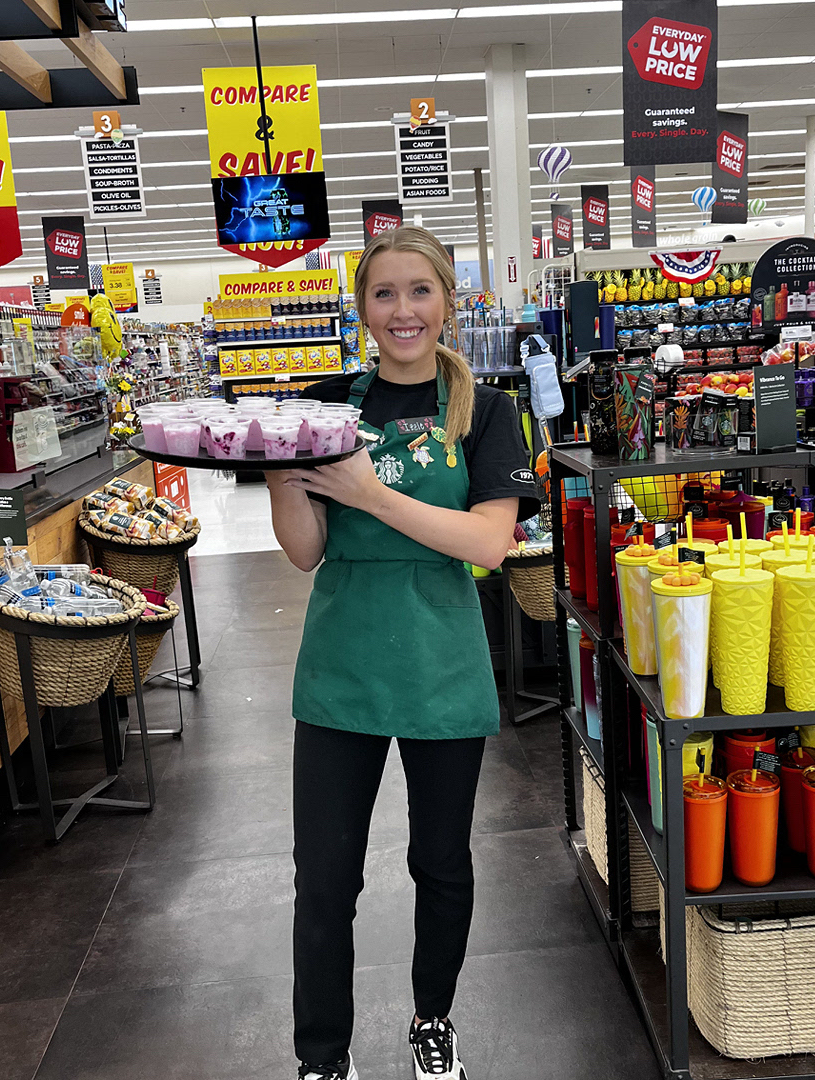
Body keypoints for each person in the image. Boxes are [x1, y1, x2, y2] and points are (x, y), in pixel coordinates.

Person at [267, 225, 540, 1080]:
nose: (402, 311)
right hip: (342, 663)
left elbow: (489, 543)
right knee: (324, 880)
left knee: (442, 864)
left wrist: (371, 493)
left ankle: (432, 1019)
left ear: (448, 302)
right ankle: (321, 1057)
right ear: (362, 309)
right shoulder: (326, 405)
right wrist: (281, 472)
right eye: (383, 294)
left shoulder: (490, 413)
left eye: (419, 291)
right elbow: (306, 550)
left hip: (442, 661)